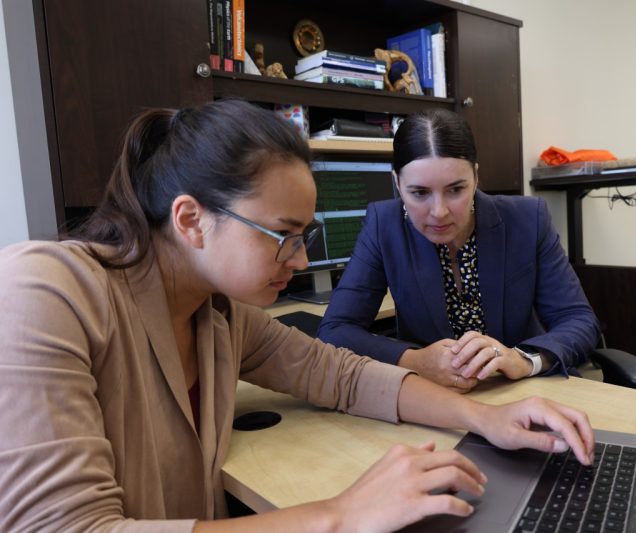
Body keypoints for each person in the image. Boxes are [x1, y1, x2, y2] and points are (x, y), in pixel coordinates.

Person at [0, 99, 594, 532]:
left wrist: (485, 419)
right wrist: (340, 513)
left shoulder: (219, 315)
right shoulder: (43, 290)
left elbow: (339, 372)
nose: (303, 256)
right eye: (282, 234)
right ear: (190, 220)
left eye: (304, 234)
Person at [318, 108, 601, 392]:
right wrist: (415, 361)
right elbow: (336, 329)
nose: (439, 212)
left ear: (476, 177)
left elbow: (580, 321)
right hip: (436, 399)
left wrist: (523, 359)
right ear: (398, 184)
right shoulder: (384, 226)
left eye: (455, 190)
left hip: (523, 392)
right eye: (419, 193)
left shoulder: (527, 219)